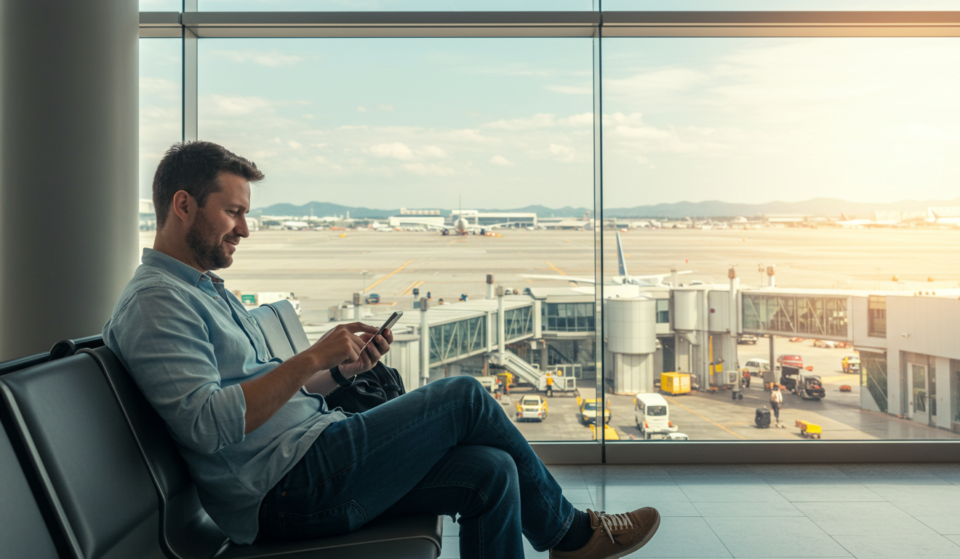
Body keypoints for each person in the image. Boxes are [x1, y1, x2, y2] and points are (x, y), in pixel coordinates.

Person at [103, 141, 660, 559]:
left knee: (491, 471)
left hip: (310, 456)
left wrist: (340, 373)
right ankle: (572, 536)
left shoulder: (200, 290)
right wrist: (311, 357)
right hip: (286, 488)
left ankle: (568, 535)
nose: (245, 229)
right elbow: (206, 424)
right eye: (233, 212)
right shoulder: (158, 303)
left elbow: (271, 394)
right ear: (182, 204)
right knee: (464, 395)